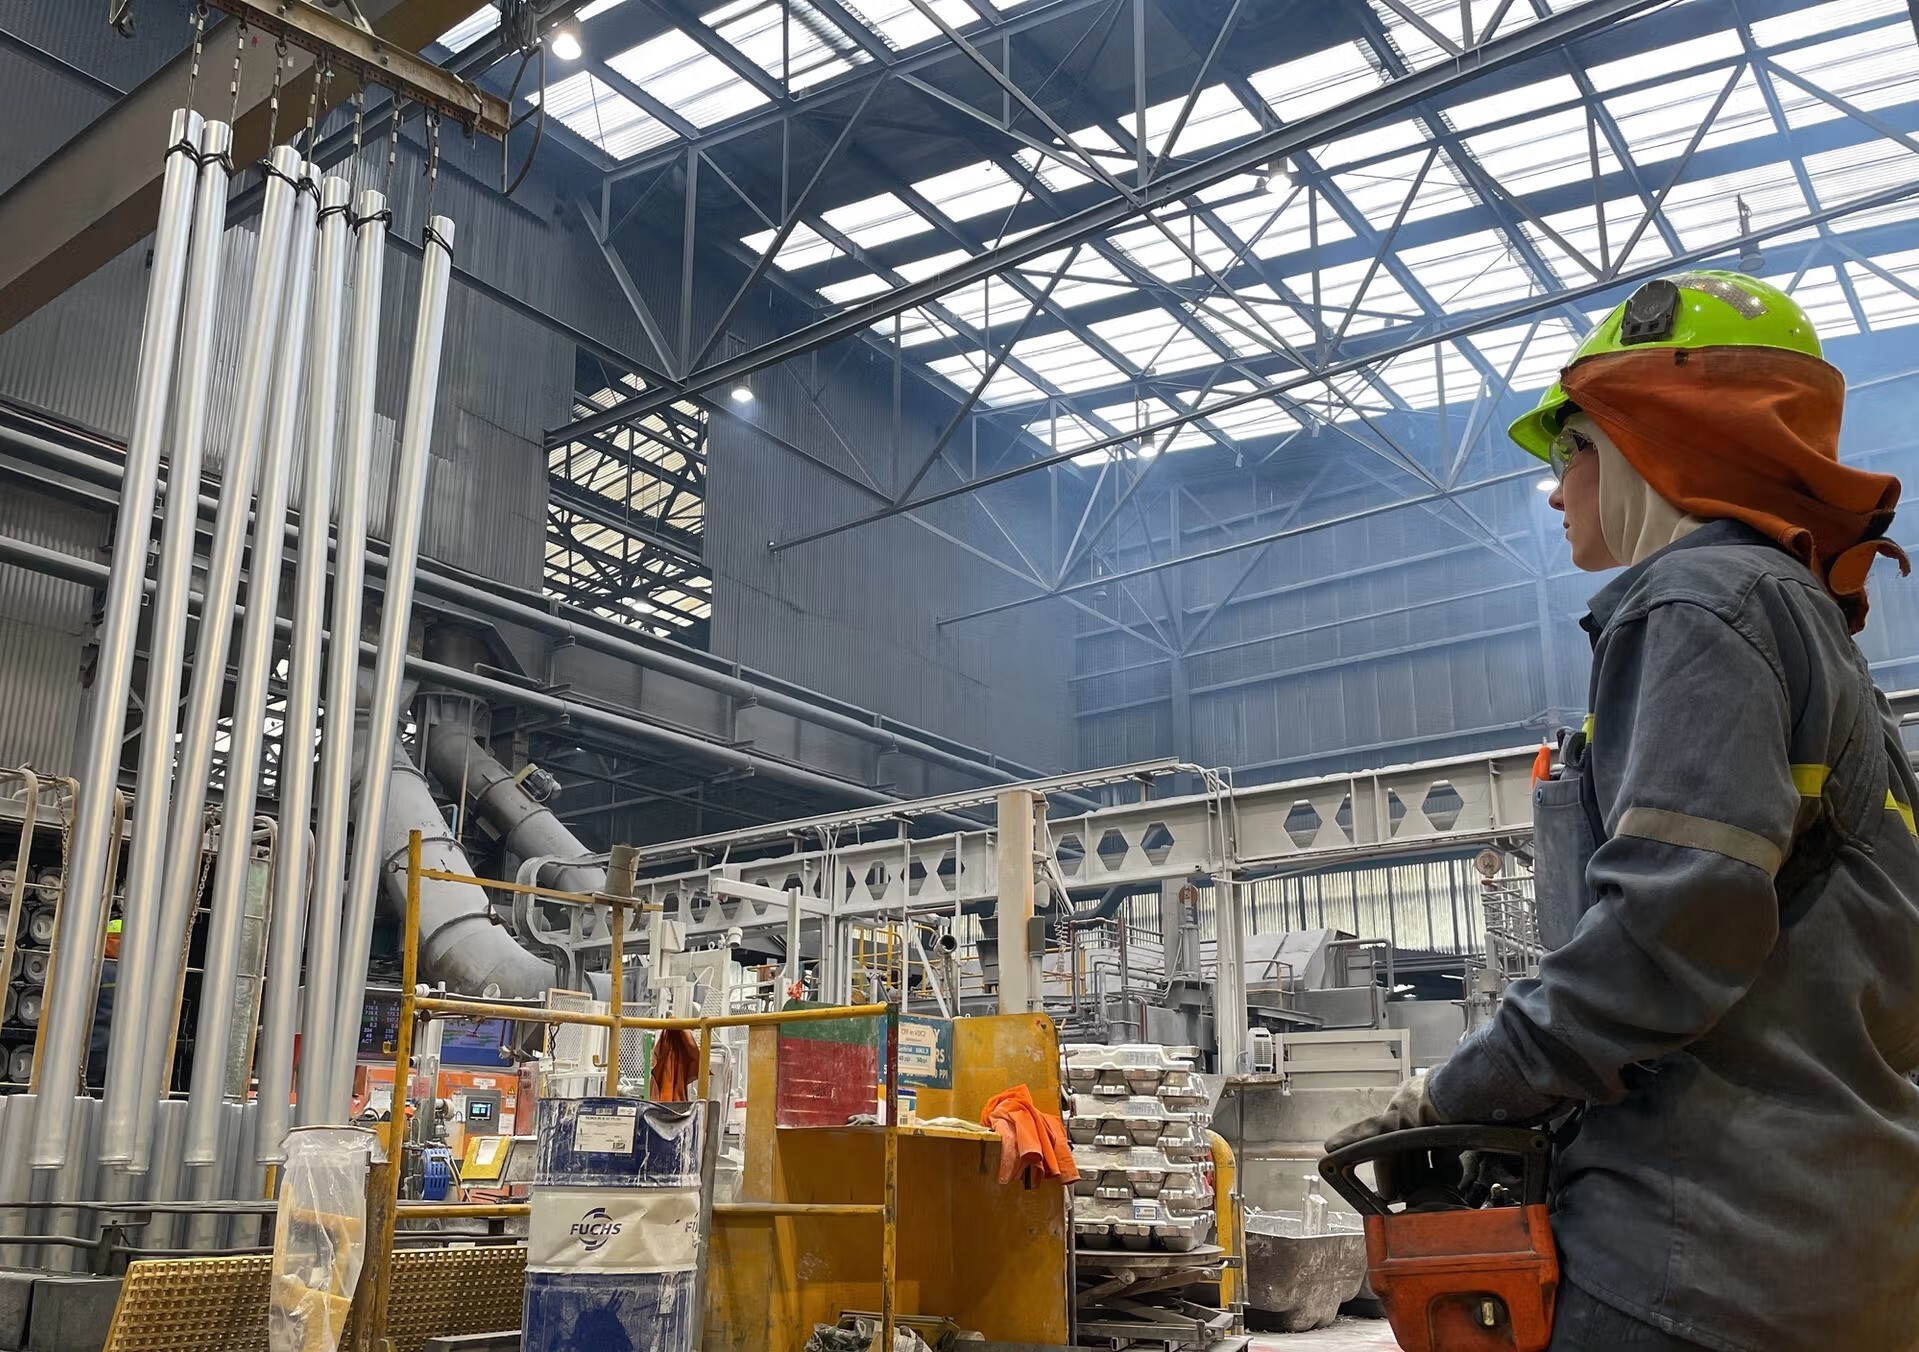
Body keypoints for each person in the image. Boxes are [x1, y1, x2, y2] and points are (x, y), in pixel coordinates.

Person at [1326, 271, 1919, 1351]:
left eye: (1573, 450)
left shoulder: (1698, 605)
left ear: (1657, 440)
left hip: (1694, 1257)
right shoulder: (1818, 643)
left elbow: (1662, 934)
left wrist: (1448, 1093)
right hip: (1835, 1244)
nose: (1554, 492)